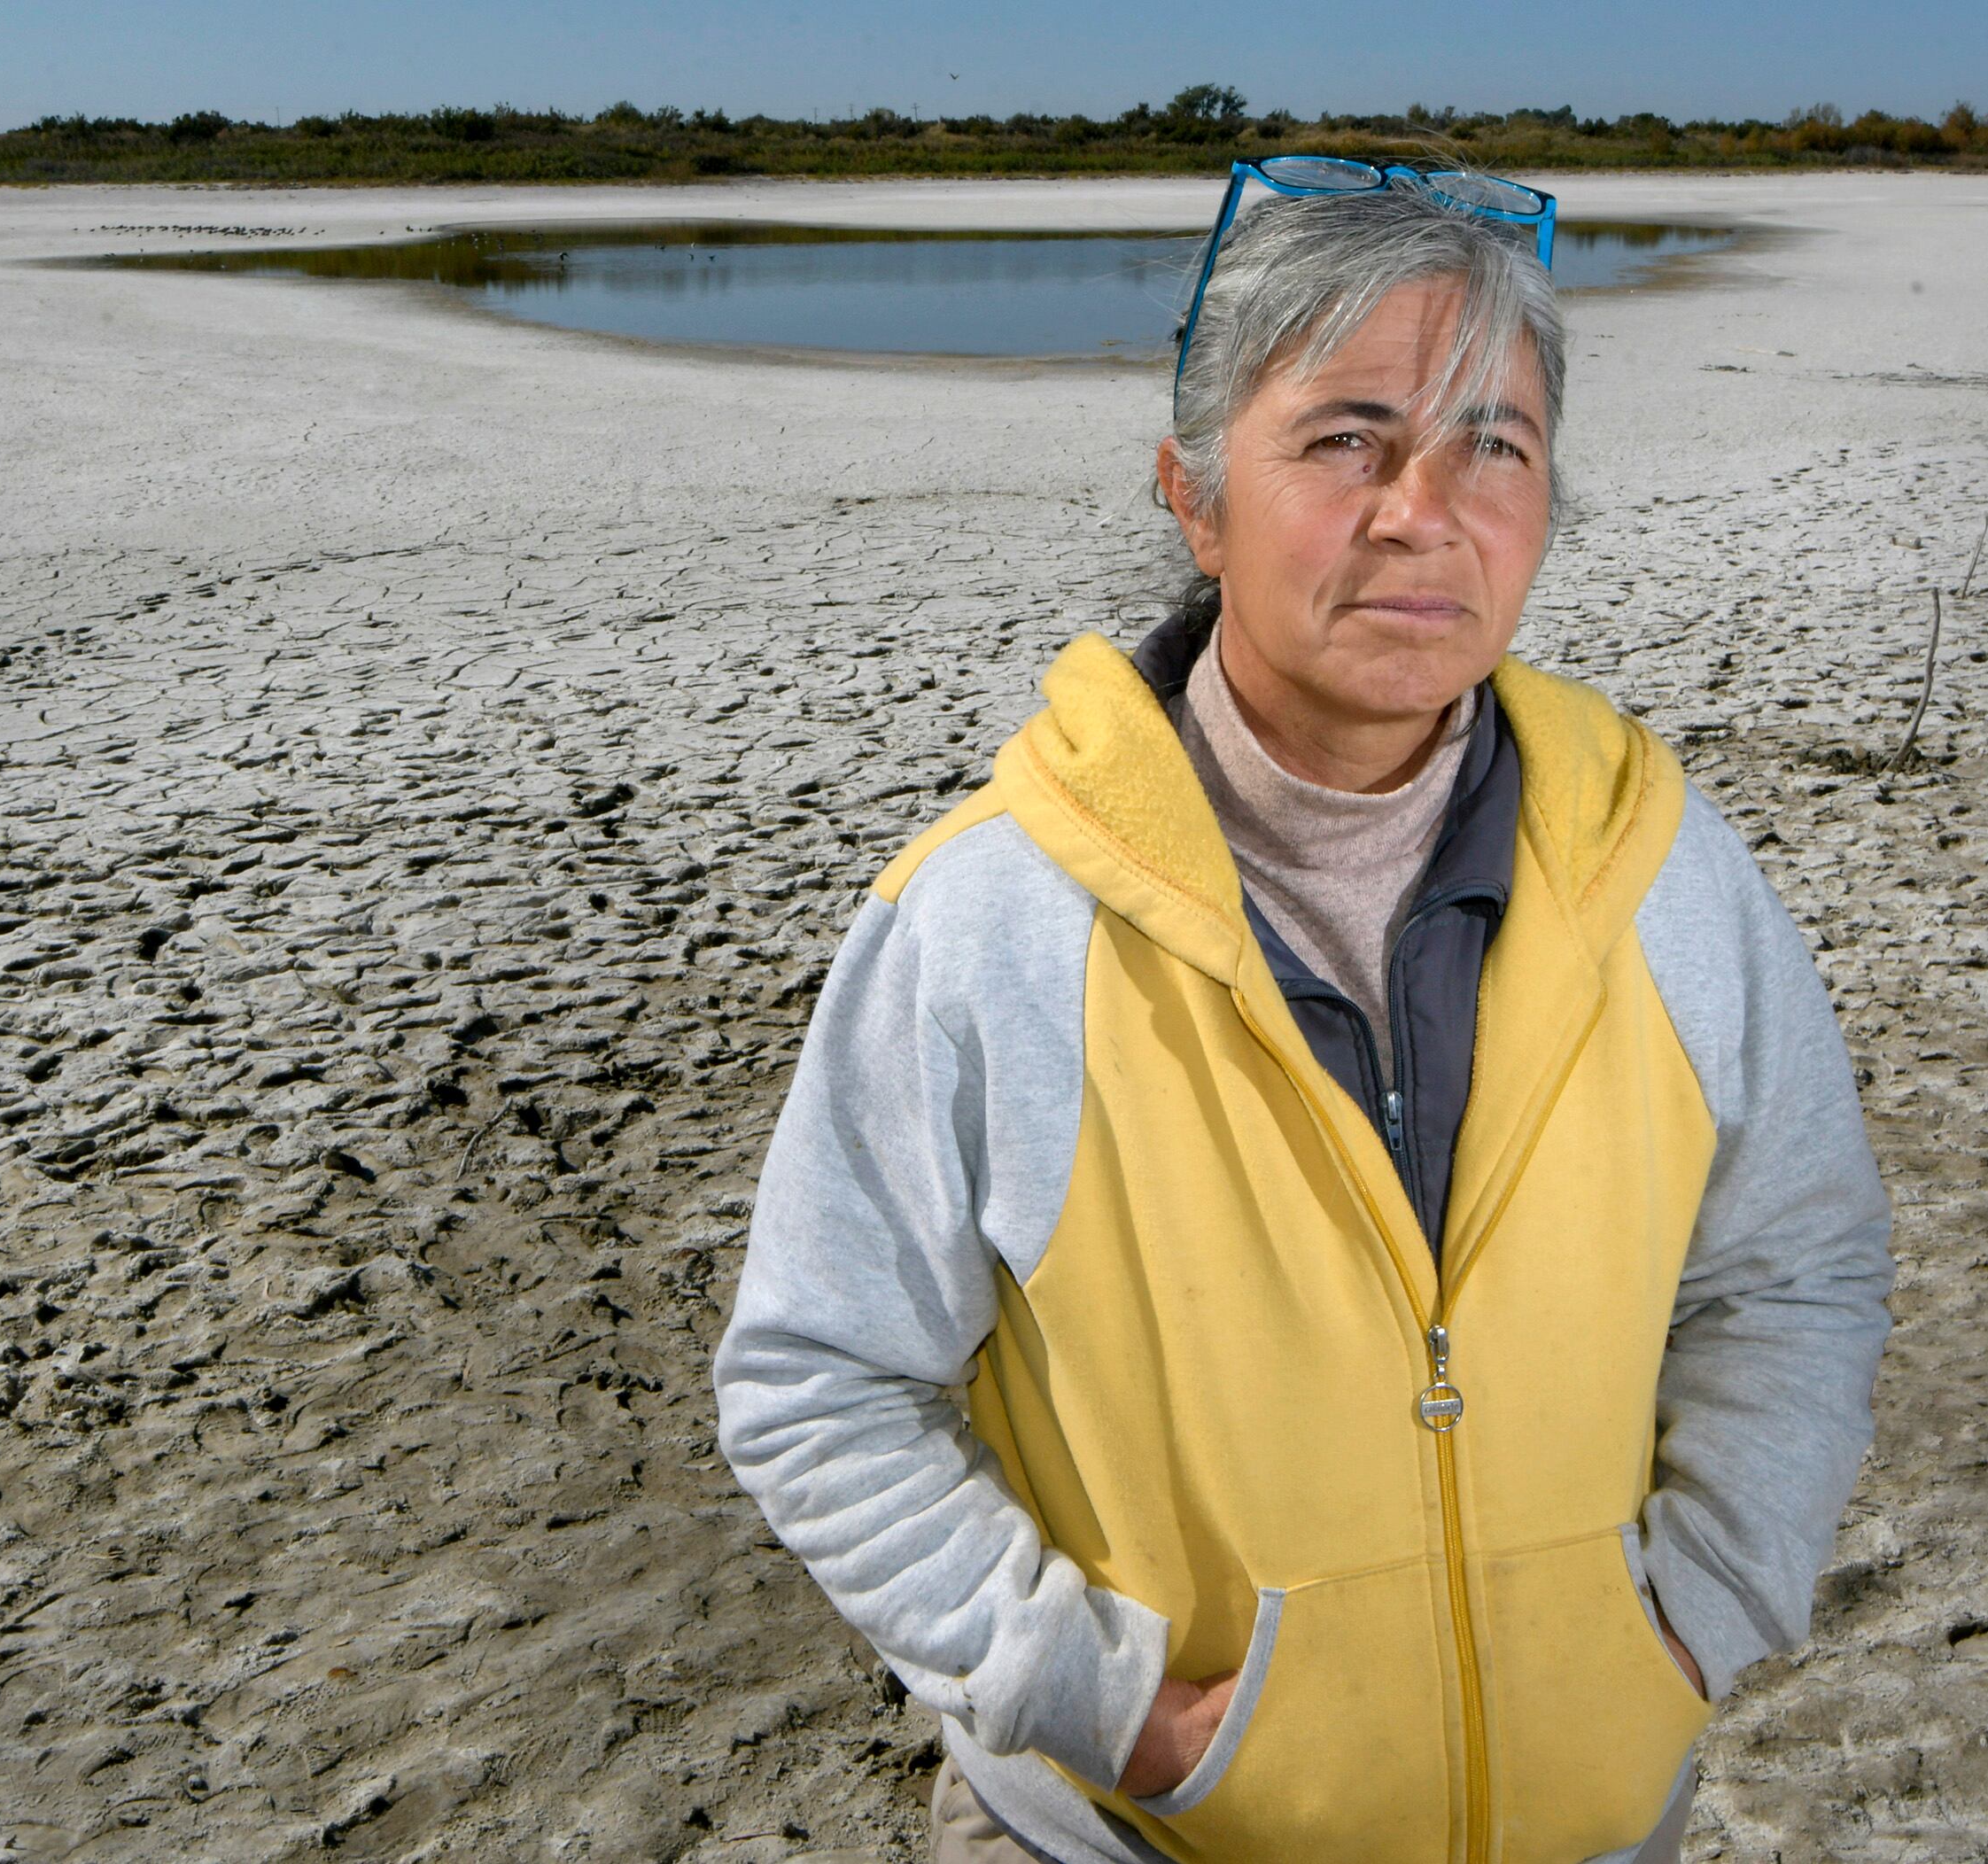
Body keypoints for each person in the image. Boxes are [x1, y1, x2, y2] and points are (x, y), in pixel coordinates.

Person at [715, 168, 1893, 1864]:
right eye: (1347, 438)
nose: (1428, 511)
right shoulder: (993, 917)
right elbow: (819, 1378)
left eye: (1497, 443)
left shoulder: (1667, 872)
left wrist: (1702, 1608)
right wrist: (1111, 1705)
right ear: (1194, 498)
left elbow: (1795, 1268)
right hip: (1139, 1834)